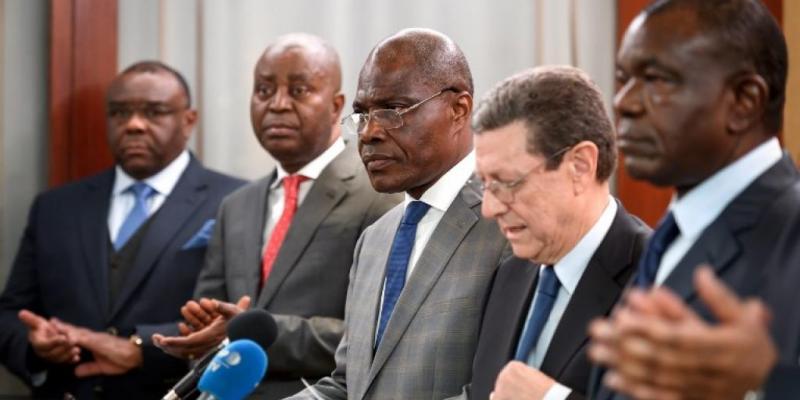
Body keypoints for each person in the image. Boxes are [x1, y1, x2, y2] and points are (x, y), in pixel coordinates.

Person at [152, 33, 400, 399]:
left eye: (299, 91)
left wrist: (251, 332)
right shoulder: (236, 205)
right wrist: (201, 335)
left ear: (336, 107)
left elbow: (380, 334)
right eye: (264, 91)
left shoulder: (379, 195)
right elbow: (213, 321)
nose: (278, 105)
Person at [586, 0, 800, 398]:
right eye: (624, 79)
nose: (624, 102)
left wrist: (761, 387)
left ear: (744, 101)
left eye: (657, 79)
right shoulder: (672, 232)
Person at [0, 61, 245, 399]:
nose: (133, 125)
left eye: (154, 112)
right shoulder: (54, 207)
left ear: (189, 121)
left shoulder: (235, 201)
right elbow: (10, 315)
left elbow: (245, 316)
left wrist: (141, 348)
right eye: (119, 113)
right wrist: (35, 345)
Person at [286, 28, 509, 400]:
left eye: (392, 112)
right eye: (362, 114)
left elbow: (497, 391)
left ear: (459, 109)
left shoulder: (507, 224)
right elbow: (348, 386)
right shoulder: (375, 239)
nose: (370, 133)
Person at [449, 66, 649, 400]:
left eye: (507, 183)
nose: (489, 208)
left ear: (580, 167)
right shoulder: (509, 276)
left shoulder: (659, 279)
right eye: (484, 184)